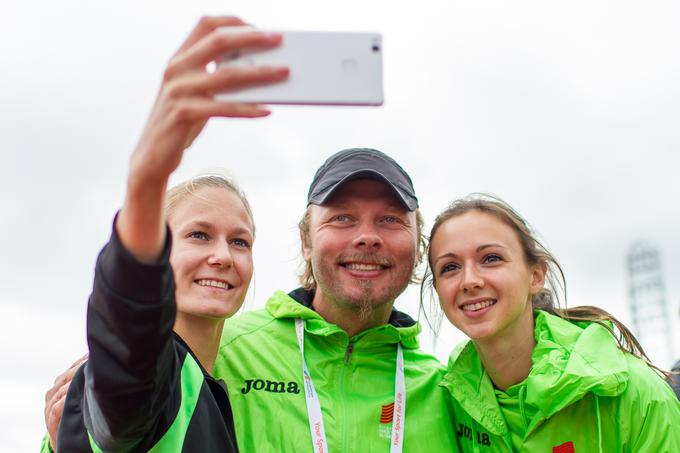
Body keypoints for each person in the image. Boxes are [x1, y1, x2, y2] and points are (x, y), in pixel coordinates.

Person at [44, 16, 458, 453]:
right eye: (341, 218)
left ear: (419, 244)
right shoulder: (218, 350)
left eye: (391, 219)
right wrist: (147, 178)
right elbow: (124, 374)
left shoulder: (447, 391)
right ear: (305, 240)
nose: (367, 237)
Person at [41, 16, 288, 452]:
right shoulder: (151, 374)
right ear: (158, 253)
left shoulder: (208, 386)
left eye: (239, 241)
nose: (223, 256)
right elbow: (128, 345)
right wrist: (148, 177)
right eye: (198, 235)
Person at [424, 194, 680, 452]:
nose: (469, 281)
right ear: (438, 290)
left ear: (535, 276)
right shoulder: (445, 400)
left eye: (491, 258)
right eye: (449, 267)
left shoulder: (636, 394)